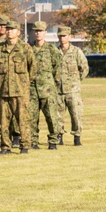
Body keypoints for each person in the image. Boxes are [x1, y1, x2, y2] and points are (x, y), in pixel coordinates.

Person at [0, 20, 35, 155]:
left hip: (20, 91)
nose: (9, 31)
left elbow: (33, 69)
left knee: (23, 120)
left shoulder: (25, 48)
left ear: (18, 32)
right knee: (4, 121)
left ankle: (25, 145)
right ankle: (5, 146)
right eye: (8, 29)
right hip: (4, 91)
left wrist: (25, 84)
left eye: (13, 29)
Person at [29, 21, 62, 149]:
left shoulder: (52, 50)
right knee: (32, 117)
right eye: (36, 31)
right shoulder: (28, 49)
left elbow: (57, 69)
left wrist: (52, 84)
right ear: (33, 32)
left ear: (45, 33)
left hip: (48, 89)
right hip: (32, 89)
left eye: (41, 31)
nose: (38, 33)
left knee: (52, 117)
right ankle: (33, 141)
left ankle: (53, 141)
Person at [57, 26, 89, 146]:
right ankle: (59, 137)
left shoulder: (76, 52)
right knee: (58, 115)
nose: (62, 38)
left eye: (64, 35)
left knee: (76, 114)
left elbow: (84, 68)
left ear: (69, 37)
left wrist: (76, 81)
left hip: (73, 90)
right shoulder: (55, 52)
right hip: (58, 90)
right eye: (60, 36)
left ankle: (77, 137)